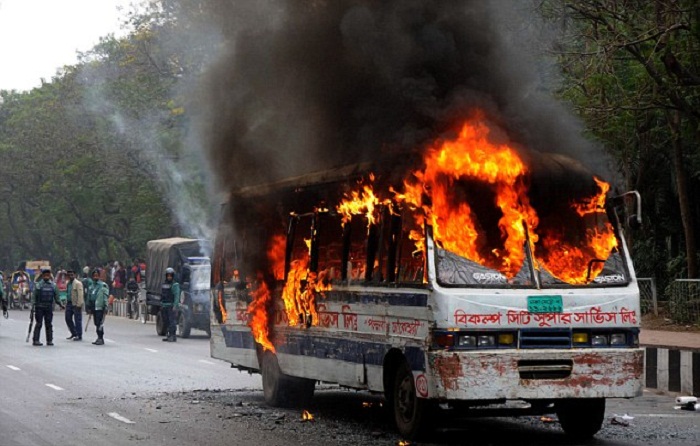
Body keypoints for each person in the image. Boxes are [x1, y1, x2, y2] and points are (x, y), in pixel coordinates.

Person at [30, 267, 63, 346]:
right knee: (39, 324)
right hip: (39, 307)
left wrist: (61, 304)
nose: (46, 276)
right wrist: (32, 307)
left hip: (48, 307)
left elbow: (57, 297)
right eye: (45, 274)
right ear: (42, 275)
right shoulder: (38, 285)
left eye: (48, 274)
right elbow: (34, 297)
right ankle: (36, 340)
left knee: (49, 324)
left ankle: (49, 340)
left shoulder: (53, 286)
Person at [86, 269, 109, 345]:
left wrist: (106, 306)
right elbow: (89, 296)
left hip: (99, 307)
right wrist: (88, 306)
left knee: (99, 323)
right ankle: (98, 337)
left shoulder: (103, 285)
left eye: (97, 275)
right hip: (93, 307)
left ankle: (101, 338)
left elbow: (105, 296)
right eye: (94, 275)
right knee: (96, 323)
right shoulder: (91, 286)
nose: (95, 276)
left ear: (99, 276)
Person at [161, 267, 180, 342]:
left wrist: (175, 305)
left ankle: (173, 335)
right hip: (165, 305)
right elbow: (162, 295)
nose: (169, 277)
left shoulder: (175, 285)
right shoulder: (164, 284)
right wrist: (162, 304)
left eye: (170, 275)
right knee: (166, 321)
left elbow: (176, 296)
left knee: (172, 321)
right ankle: (169, 335)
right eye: (168, 275)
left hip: (171, 306)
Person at [64, 269, 84, 341]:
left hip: (76, 304)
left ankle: (79, 335)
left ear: (75, 275)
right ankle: (74, 333)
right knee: (67, 318)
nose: (70, 276)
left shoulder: (78, 283)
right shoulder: (68, 283)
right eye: (69, 275)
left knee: (77, 320)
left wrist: (79, 304)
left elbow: (80, 294)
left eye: (72, 275)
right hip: (69, 303)